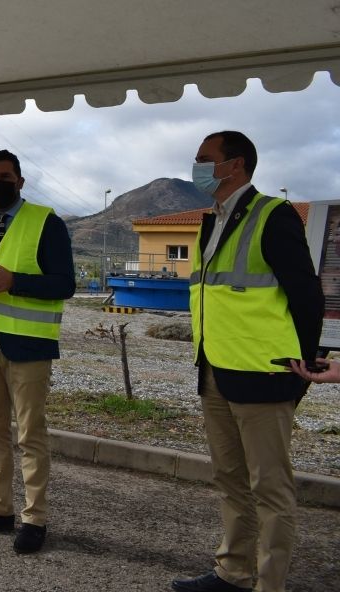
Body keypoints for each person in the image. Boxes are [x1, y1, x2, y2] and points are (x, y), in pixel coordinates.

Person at [172, 130, 323, 592]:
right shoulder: (209, 219)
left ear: (234, 165)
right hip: (216, 370)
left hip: (264, 374)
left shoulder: (273, 215)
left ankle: (269, 583)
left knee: (270, 489)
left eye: (204, 159)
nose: (196, 166)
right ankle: (233, 571)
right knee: (230, 478)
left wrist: (301, 373)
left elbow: (306, 296)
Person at [0, 149, 74, 555]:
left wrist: (14, 281)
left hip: (28, 345)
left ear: (20, 180)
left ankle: (34, 518)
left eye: (3, 176)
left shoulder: (47, 223)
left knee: (30, 434)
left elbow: (64, 284)